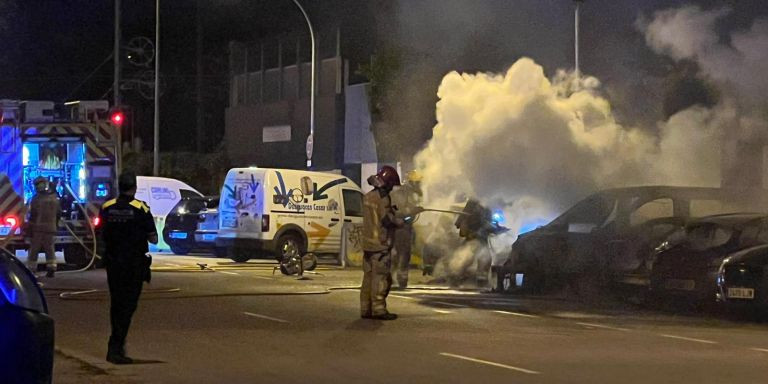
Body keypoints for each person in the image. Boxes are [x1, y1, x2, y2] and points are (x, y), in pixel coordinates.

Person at [99, 172, 157, 364]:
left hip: (113, 263)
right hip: (133, 264)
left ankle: (115, 347)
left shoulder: (107, 207)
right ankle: (116, 348)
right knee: (128, 306)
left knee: (116, 304)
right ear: (134, 187)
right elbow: (153, 237)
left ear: (119, 185)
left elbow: (101, 232)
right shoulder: (141, 208)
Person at [360, 166, 410, 320]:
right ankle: (379, 309)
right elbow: (387, 220)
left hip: (368, 244)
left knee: (368, 277)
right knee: (381, 278)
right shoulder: (383, 199)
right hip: (380, 245)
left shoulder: (368, 196)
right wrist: (400, 222)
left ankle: (366, 309)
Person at [389, 170, 423, 289]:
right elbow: (401, 212)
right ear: (412, 182)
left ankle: (390, 277)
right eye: (418, 183)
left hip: (402, 227)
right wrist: (413, 211)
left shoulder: (405, 193)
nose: (420, 186)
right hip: (401, 228)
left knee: (396, 254)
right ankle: (401, 279)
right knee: (403, 254)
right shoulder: (404, 194)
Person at [27, 177, 60, 277]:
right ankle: (51, 268)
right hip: (51, 228)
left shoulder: (36, 199)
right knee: (50, 248)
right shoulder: (55, 198)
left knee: (34, 249)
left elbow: (33, 214)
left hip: (38, 228)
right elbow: (59, 213)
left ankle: (32, 270)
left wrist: (29, 228)